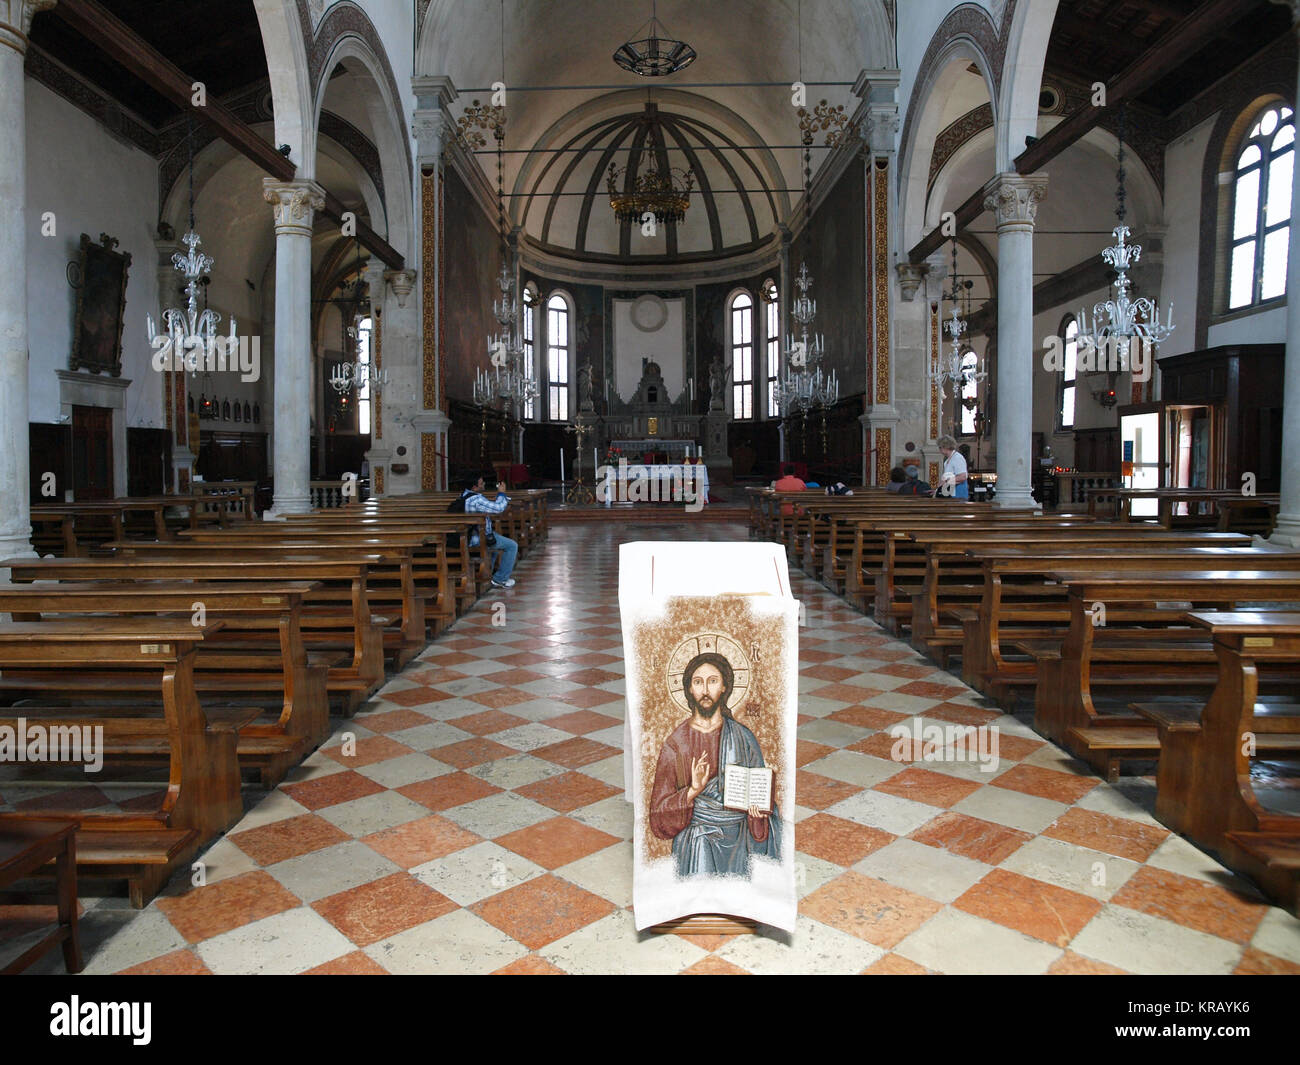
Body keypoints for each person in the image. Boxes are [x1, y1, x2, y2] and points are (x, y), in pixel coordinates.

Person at [649, 652, 781, 878]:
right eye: (698, 682)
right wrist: (692, 792)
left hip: (740, 837)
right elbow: (658, 816)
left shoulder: (743, 737)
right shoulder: (676, 744)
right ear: (689, 689)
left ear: (724, 687)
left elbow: (762, 800)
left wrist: (758, 814)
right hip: (697, 838)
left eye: (713, 681)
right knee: (700, 844)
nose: (705, 690)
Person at [463, 471, 519, 588]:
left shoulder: (464, 495)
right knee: (511, 545)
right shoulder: (476, 499)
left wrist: (493, 501)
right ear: (474, 487)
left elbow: (486, 506)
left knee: (494, 544)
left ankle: (487, 575)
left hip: (467, 536)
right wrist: (502, 494)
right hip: (479, 538)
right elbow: (498, 509)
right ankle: (500, 579)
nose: (484, 484)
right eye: (481, 483)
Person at [933, 434, 969, 500]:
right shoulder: (948, 460)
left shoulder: (957, 458)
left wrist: (946, 482)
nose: (939, 449)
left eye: (940, 447)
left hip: (958, 493)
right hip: (949, 492)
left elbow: (962, 477)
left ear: (945, 447)